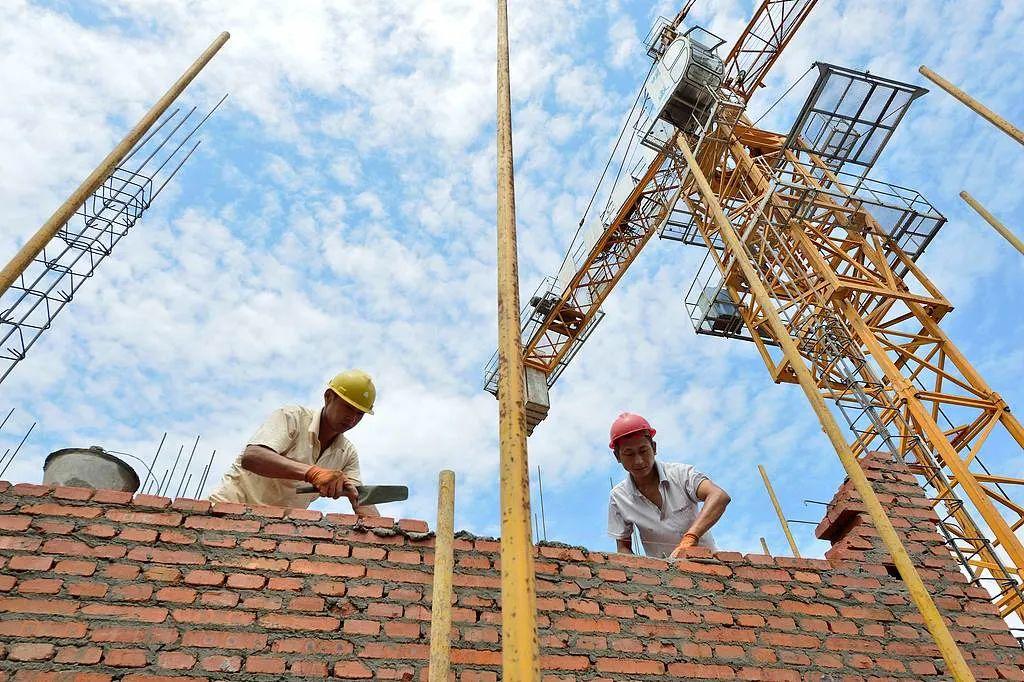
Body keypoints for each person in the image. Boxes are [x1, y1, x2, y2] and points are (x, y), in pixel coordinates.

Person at [208, 370, 380, 516]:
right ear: (328, 397)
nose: (352, 418)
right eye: (348, 407)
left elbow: (360, 496)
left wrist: (385, 533)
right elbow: (252, 457)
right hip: (226, 511)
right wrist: (312, 473)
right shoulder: (293, 418)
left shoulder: (347, 453)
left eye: (360, 413)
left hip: (270, 529)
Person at [606, 412, 730, 558]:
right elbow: (623, 548)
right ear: (617, 456)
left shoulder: (681, 474)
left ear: (654, 448)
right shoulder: (619, 497)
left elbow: (719, 496)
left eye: (643, 451)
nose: (638, 461)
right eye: (629, 454)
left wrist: (690, 538)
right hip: (665, 571)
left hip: (707, 564)